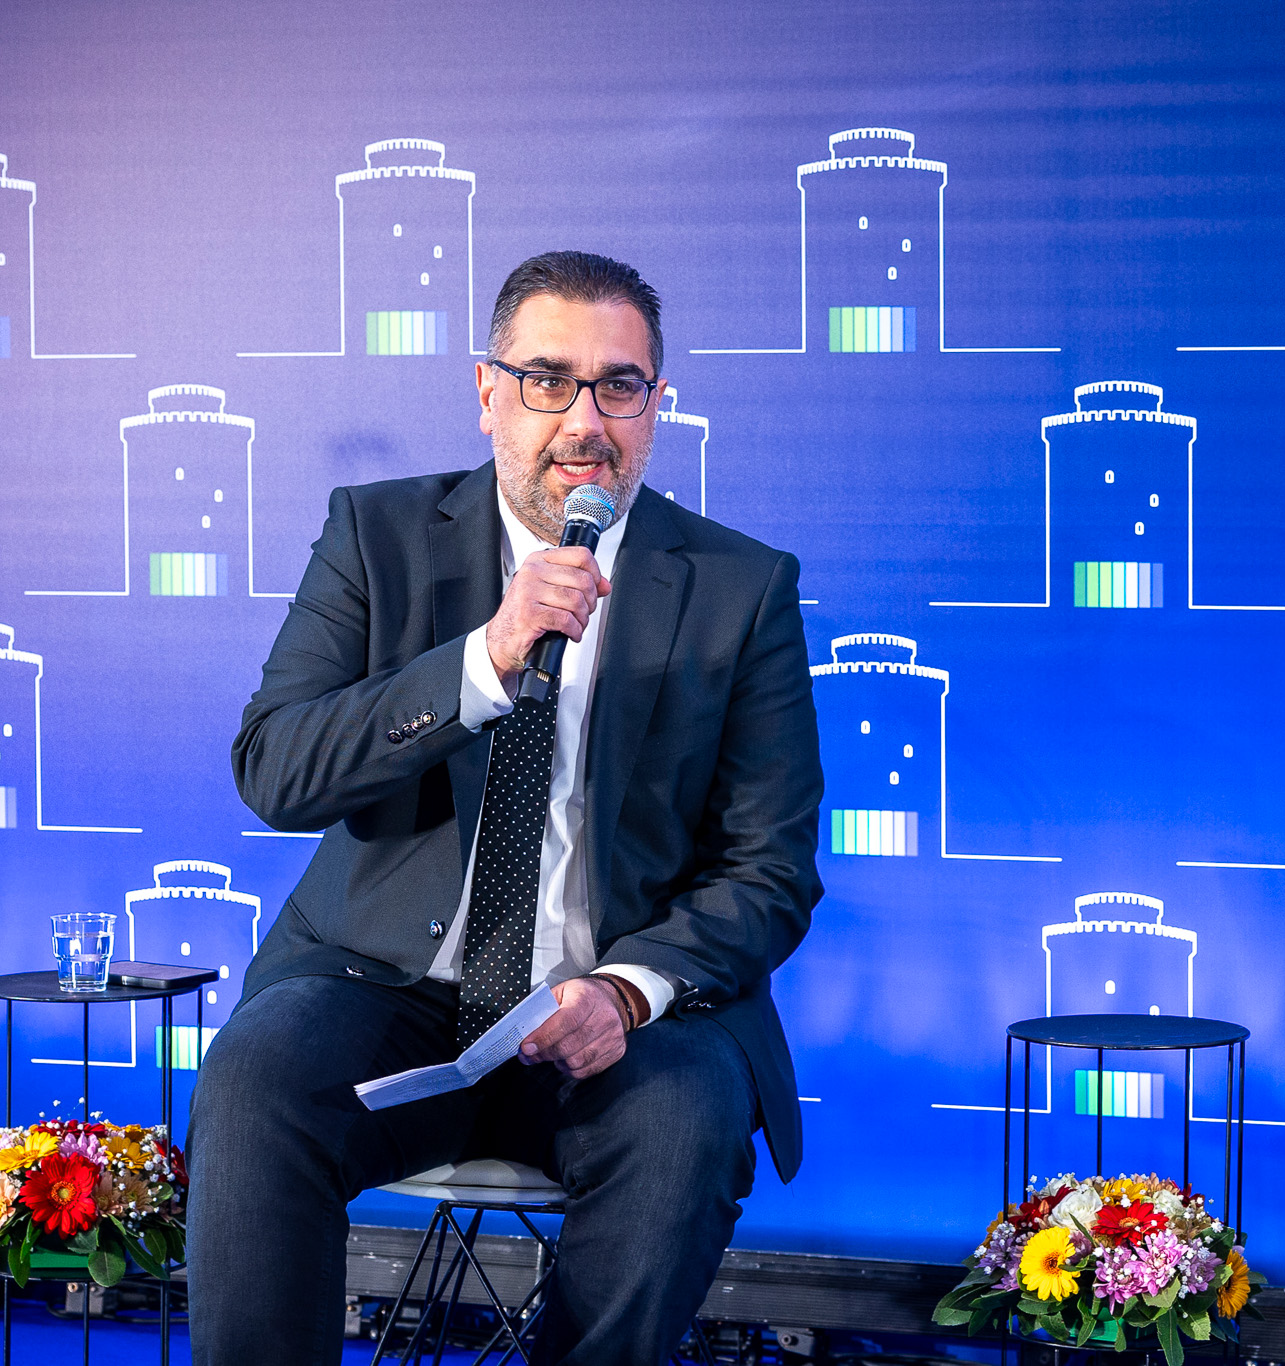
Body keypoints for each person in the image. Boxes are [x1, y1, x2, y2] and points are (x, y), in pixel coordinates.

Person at [189, 250, 823, 1365]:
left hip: (617, 1016)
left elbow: (767, 866)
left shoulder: (739, 586)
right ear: (488, 393)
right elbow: (277, 768)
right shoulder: (376, 535)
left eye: (617, 386)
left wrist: (626, 991)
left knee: (686, 1124)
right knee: (254, 1081)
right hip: (381, 987)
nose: (583, 420)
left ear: (656, 406)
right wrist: (484, 657)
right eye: (547, 380)